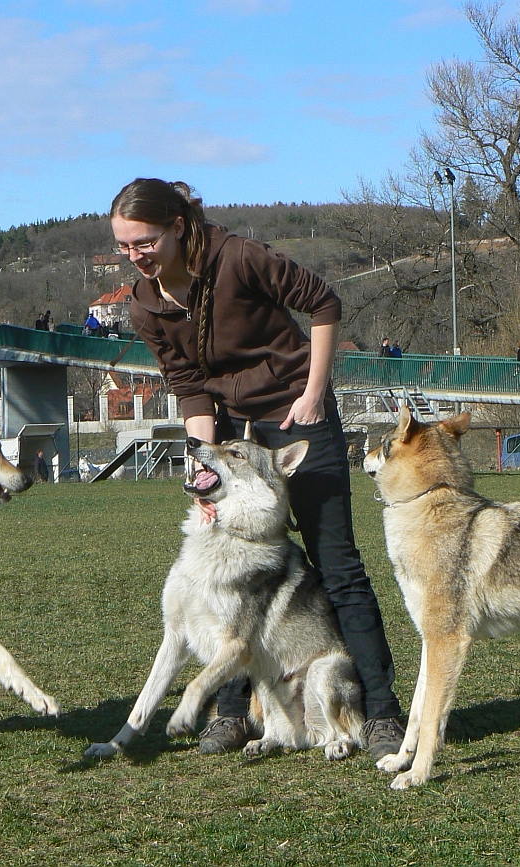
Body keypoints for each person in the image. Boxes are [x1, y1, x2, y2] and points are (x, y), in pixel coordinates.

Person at [111, 178, 404, 759]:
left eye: (142, 242)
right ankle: (233, 715)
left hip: (297, 413)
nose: (134, 256)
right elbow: (188, 386)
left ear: (176, 225)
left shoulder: (238, 256)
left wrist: (315, 394)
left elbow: (323, 302)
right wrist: (203, 470)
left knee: (337, 564)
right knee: (229, 573)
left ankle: (382, 713)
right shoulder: (144, 305)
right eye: (123, 247)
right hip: (229, 431)